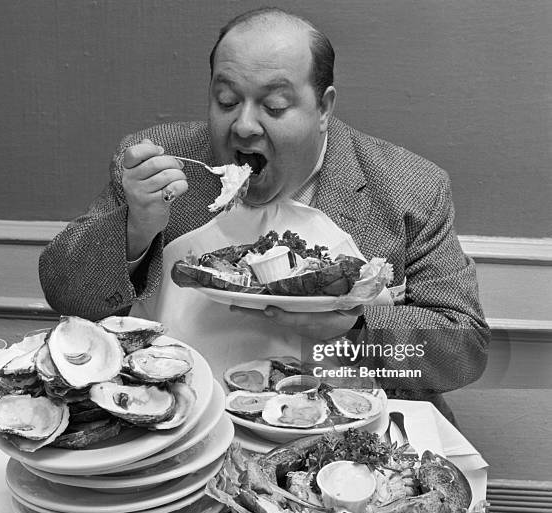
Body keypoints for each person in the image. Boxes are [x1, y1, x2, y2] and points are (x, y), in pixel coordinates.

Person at [40, 8, 488, 424]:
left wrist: (358, 325)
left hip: (350, 436)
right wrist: (134, 227)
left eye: (274, 107)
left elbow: (462, 352)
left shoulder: (410, 187)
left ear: (324, 108)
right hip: (181, 427)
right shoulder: (159, 162)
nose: (245, 126)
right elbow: (68, 296)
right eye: (226, 100)